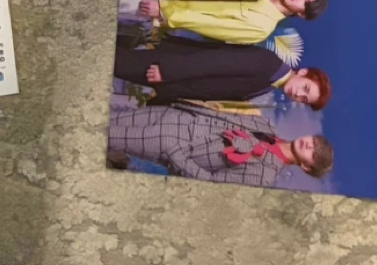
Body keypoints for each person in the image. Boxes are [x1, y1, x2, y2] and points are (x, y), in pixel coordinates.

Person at [107, 101, 334, 185]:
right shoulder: (266, 126)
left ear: (306, 167)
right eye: (314, 141)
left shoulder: (265, 174)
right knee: (107, 119)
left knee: (106, 134)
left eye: (313, 153)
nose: (309, 145)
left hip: (172, 143)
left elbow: (210, 181)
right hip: (176, 114)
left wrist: (174, 153)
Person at [114, 37, 332, 109]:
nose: (298, 94)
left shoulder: (269, 83)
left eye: (304, 99)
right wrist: (169, 71)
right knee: (115, 61)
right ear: (303, 72)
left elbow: (214, 89)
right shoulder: (268, 64)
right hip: (169, 66)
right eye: (305, 88)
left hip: (170, 80)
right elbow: (215, 62)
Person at [136, 0, 327, 45]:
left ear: (302, 14)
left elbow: (209, 25)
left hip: (161, 6)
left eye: (305, 2)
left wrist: (165, 12)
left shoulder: (262, 28)